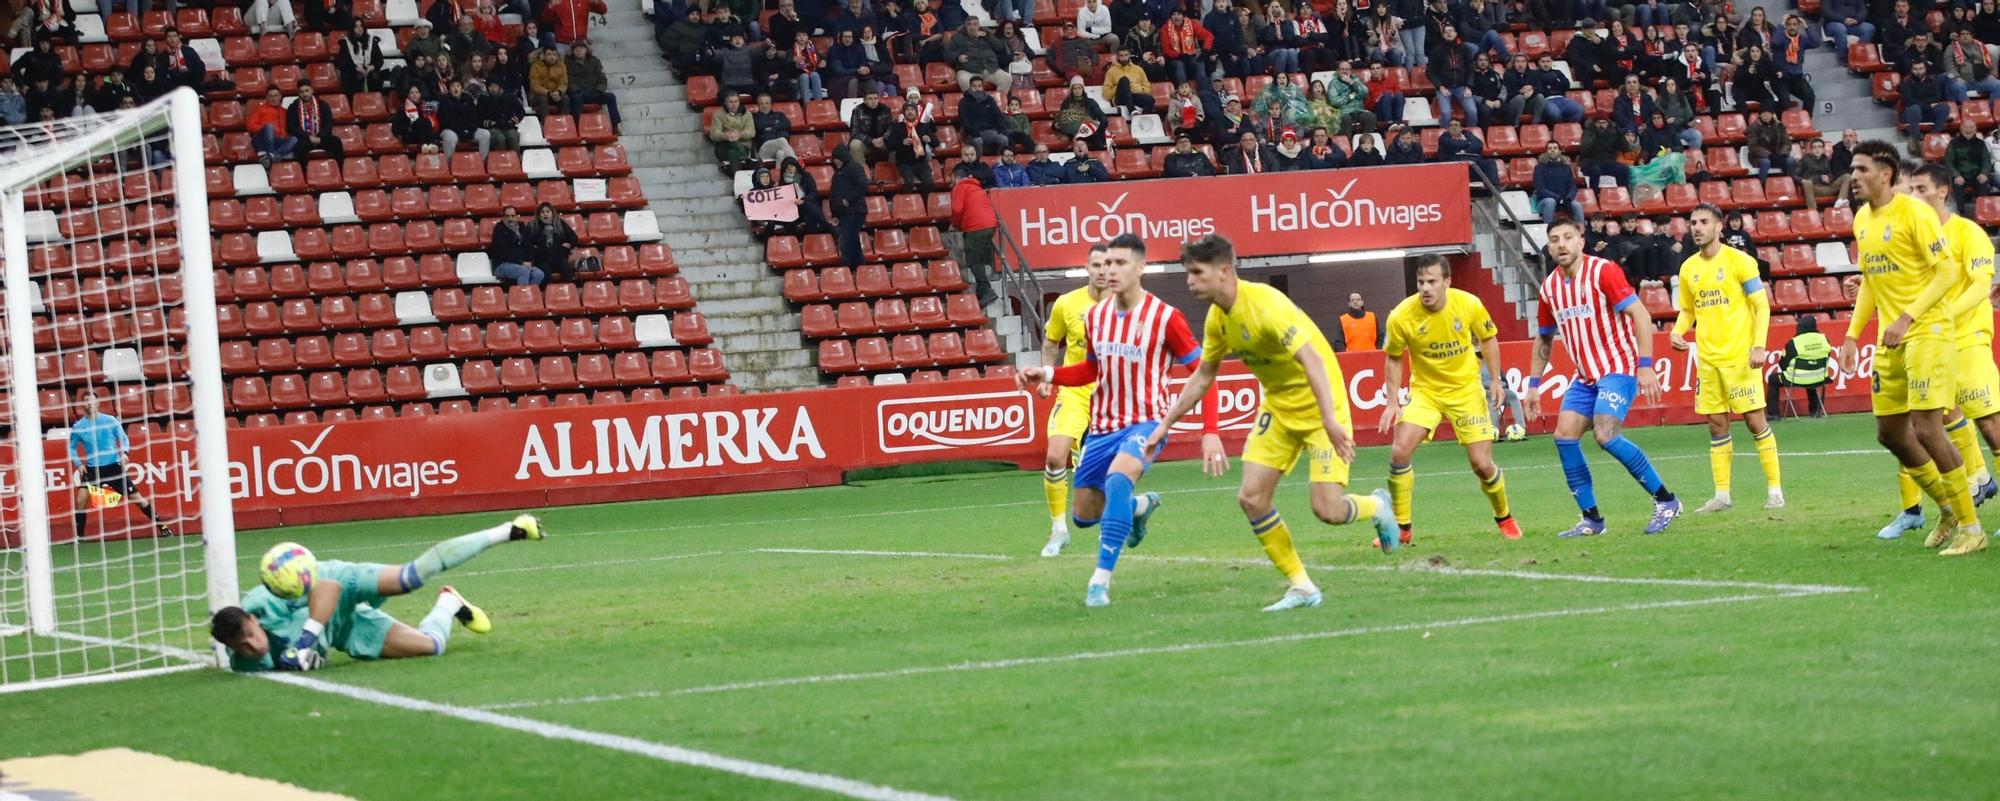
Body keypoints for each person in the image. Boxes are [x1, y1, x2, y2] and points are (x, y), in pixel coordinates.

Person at [1149, 234, 1395, 611]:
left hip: (1320, 407)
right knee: (1251, 497)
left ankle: (1376, 507)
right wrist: (1165, 425)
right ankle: (1302, 586)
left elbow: (1312, 360)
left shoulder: (1265, 305)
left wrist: (1329, 418)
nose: (1189, 281)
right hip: (1278, 410)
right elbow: (1204, 374)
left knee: (1327, 510)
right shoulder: (1218, 317)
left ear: (1225, 272)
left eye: (1197, 273)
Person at [1015, 234, 1219, 608]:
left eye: (1120, 263)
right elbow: (1090, 370)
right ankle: (1140, 507)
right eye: (1106, 263)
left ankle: (1099, 582)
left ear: (1141, 268)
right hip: (1103, 427)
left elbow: (1204, 373)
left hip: (1147, 423)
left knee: (1118, 479)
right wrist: (1047, 375)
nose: (1110, 270)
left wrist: (1210, 432)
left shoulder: (1165, 317)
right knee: (1084, 515)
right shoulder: (1094, 318)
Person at [1835, 142, 1983, 553]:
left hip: (1927, 331)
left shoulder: (1915, 212)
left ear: (1886, 173)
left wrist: (1907, 316)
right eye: (1853, 169)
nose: (1855, 176)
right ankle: (1947, 508)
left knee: (1927, 429)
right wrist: (1851, 335)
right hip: (1891, 337)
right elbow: (1869, 281)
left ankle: (1973, 528)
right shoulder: (1862, 219)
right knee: (1890, 434)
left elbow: (1947, 270)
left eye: (1862, 168)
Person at [211, 515, 544, 672]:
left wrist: (303, 644)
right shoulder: (247, 663)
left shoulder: (261, 601)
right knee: (433, 647)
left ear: (254, 619)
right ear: (231, 648)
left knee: (409, 578)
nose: (253, 645)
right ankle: (450, 602)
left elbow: (327, 589)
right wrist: (307, 658)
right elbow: (284, 665)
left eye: (252, 635)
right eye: (243, 646)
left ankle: (510, 530)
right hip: (346, 627)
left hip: (341, 580)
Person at [1870, 163, 2000, 551]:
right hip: (1923, 340)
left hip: (1965, 339)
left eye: (1921, 188)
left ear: (1941, 192)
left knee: (1991, 425)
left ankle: (1967, 497)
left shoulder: (1968, 233)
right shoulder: (1910, 234)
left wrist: (1940, 315)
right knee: (1916, 424)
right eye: (1910, 189)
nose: (1913, 196)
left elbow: (1981, 286)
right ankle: (1950, 502)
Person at [1527, 218, 1682, 537]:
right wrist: (1532, 385)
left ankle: (1666, 500)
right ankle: (1592, 520)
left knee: (1605, 434)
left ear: (1581, 241)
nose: (1561, 244)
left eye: (1568, 237)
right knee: (1564, 436)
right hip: (1585, 376)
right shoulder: (1550, 288)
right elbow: (1544, 339)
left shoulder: (1603, 271)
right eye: (1554, 239)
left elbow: (1640, 314)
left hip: (1619, 366)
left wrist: (1646, 364)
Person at [1375, 254, 1521, 545]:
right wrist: (1392, 402)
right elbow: (1393, 359)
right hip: (1426, 393)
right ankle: (1403, 529)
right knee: (1399, 452)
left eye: (1432, 281)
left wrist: (1495, 381)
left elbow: (1488, 338)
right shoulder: (1402, 315)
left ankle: (1504, 517)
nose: (1425, 288)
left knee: (1481, 464)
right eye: (1420, 282)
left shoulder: (1468, 304)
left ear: (1447, 282)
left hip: (1466, 391)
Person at [1669, 204, 1784, 513]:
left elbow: (1761, 306)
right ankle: (1722, 495)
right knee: (1716, 425)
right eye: (1693, 222)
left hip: (1740, 358)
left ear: (1720, 227)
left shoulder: (1740, 261)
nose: (1697, 227)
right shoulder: (1688, 268)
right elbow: (1688, 310)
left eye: (1704, 222)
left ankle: (1775, 490)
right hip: (1708, 360)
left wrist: (1759, 346)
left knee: (1754, 420)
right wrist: (1678, 332)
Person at [1036, 245, 1110, 556]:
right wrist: (1045, 375)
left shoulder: (1128, 305)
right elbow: (1052, 341)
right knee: (1055, 457)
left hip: (1111, 395)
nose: (1102, 271)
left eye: (1108, 265)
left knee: (1104, 471)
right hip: (1075, 392)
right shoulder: (1066, 304)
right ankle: (1058, 530)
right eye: (1096, 265)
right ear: (1087, 268)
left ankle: (1113, 528)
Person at [66, 391, 170, 539]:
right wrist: (78, 464)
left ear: (98, 403)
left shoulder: (110, 421)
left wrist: (124, 453)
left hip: (113, 467)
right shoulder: (78, 426)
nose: (90, 403)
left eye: (92, 400)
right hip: (93, 469)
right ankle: (79, 537)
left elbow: (124, 438)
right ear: (83, 404)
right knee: (81, 500)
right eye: (86, 400)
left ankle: (162, 526)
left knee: (138, 499)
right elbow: (71, 447)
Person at [948, 162, 1000, 308]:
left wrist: (954, 224)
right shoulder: (976, 187)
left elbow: (957, 209)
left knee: (972, 260)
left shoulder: (960, 187)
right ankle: (981, 291)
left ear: (955, 177)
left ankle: (987, 290)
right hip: (990, 224)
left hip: (976, 227)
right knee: (978, 259)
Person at [1767, 315, 1831, 418]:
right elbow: (1827, 356)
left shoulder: (1794, 342)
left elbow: (1783, 364)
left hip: (1797, 378)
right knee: (1811, 379)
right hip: (1820, 377)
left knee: (1773, 379)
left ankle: (1773, 414)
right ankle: (1815, 411)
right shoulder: (1824, 339)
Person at [565, 43, 620, 134]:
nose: (579, 50)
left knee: (610, 97)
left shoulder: (595, 61)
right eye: (576, 48)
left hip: (594, 92)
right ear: (572, 51)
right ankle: (577, 127)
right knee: (576, 98)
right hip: (579, 93)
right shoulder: (567, 63)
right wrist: (577, 90)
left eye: (581, 48)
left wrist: (599, 90)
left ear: (586, 49)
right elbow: (568, 80)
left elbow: (602, 79)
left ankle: (615, 126)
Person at [830, 145, 869, 269]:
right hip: (844, 213)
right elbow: (834, 193)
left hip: (855, 211)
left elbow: (863, 185)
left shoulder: (854, 167)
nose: (834, 161)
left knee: (846, 242)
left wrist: (848, 200)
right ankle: (860, 270)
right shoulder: (838, 172)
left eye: (836, 158)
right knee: (853, 242)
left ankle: (846, 269)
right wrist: (835, 214)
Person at [1944, 119, 1996, 208]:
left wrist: (1984, 173)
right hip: (1960, 176)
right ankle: (1962, 213)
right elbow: (1948, 162)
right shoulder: (1953, 143)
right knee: (1957, 185)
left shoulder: (1981, 144)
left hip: (1977, 175)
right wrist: (1956, 175)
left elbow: (1986, 161)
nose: (1968, 129)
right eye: (1965, 127)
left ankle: (1982, 213)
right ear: (1961, 128)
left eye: (1971, 127)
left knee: (1984, 183)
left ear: (1975, 129)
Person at [286, 84, 344, 161]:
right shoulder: (293, 107)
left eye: (307, 91)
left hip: (322, 137)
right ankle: (304, 171)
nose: (305, 94)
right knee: (299, 148)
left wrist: (320, 136)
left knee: (336, 142)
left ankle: (339, 169)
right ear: (298, 93)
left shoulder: (323, 105)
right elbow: (292, 127)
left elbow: (328, 123)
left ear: (312, 91)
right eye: (302, 92)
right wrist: (308, 136)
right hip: (304, 138)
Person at [488, 206, 542, 286]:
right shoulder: (498, 229)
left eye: (513, 216)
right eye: (507, 216)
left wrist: (530, 262)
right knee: (523, 271)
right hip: (502, 264)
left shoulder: (523, 228)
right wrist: (521, 262)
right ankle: (522, 297)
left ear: (517, 216)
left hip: (521, 264)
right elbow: (503, 251)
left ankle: (530, 295)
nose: (510, 219)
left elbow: (529, 247)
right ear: (503, 217)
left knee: (539, 274)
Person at [529, 202, 580, 282]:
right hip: (541, 260)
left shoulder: (560, 224)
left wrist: (569, 244)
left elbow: (574, 238)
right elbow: (527, 243)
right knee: (545, 271)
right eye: (542, 212)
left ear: (552, 214)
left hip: (558, 258)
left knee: (567, 269)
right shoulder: (533, 226)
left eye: (548, 212)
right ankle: (547, 292)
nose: (545, 214)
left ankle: (566, 291)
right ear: (539, 215)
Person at [247, 87, 296, 167]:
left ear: (280, 97)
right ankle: (272, 153)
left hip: (278, 141)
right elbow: (250, 126)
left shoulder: (285, 111)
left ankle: (271, 156)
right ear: (267, 97)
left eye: (276, 96)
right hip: (262, 141)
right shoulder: (259, 109)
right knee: (269, 127)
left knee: (294, 139)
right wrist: (267, 129)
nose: (274, 98)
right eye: (271, 96)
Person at [1102, 48, 1155, 115]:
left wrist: (1134, 88)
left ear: (1130, 55)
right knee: (1124, 80)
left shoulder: (1138, 69)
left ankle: (1140, 119)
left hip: (1134, 95)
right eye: (1121, 55)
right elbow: (1106, 94)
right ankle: (1132, 110)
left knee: (1150, 99)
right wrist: (1119, 87)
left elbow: (1148, 89)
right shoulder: (1111, 71)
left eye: (1126, 55)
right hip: (1120, 98)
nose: (1124, 58)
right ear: (1118, 57)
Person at [479, 78, 525, 155]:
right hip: (492, 128)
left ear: (500, 87)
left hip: (508, 126)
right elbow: (478, 116)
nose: (493, 89)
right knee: (500, 138)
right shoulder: (484, 98)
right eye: (490, 86)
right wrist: (487, 123)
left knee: (513, 136)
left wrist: (516, 119)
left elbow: (521, 111)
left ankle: (516, 161)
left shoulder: (509, 97)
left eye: (495, 86)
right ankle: (500, 162)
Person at [708, 93, 754, 170]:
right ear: (725, 103)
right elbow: (713, 134)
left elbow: (751, 132)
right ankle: (746, 158)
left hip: (743, 146)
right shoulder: (718, 115)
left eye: (736, 101)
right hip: (724, 147)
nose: (734, 104)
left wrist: (739, 135)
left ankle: (736, 177)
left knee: (732, 153)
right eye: (731, 102)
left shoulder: (747, 114)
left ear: (739, 102)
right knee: (732, 142)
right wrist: (725, 136)